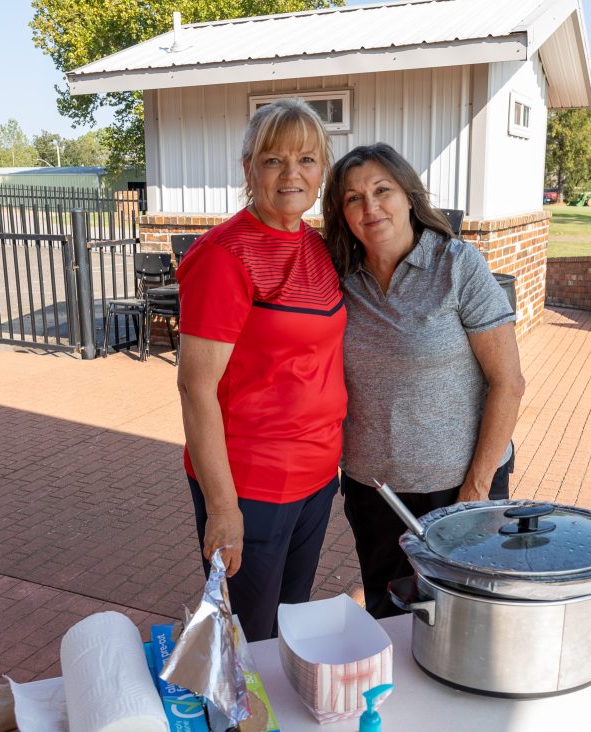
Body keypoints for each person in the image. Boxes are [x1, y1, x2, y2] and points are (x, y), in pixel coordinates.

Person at [322, 143, 526, 619]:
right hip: (374, 491)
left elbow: (509, 383)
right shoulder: (341, 275)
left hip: (456, 489)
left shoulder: (457, 265)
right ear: (342, 214)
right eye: (353, 198)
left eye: (381, 190)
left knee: (466, 617)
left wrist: (475, 490)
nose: (370, 207)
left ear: (409, 195)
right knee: (389, 612)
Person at [176, 99, 346, 642]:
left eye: (307, 159)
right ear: (248, 168)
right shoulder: (224, 257)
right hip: (252, 485)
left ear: (323, 169)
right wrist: (223, 509)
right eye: (274, 160)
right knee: (248, 640)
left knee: (289, 624)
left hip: (317, 478)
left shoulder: (318, 247)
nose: (292, 173)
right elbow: (195, 386)